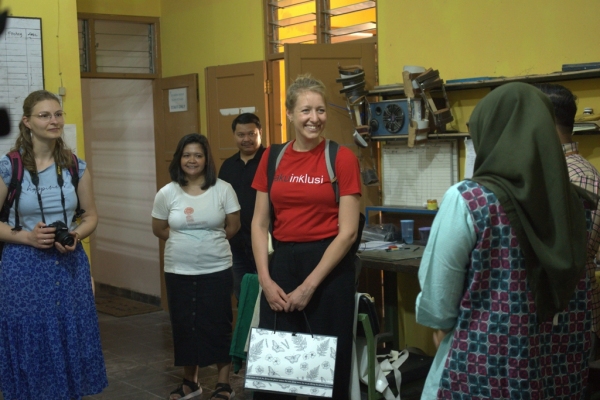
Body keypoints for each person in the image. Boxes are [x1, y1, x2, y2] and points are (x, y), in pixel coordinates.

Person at [416, 82, 592, 399]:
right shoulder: (576, 204)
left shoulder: (468, 200)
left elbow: (438, 304)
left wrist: (441, 327)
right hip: (558, 374)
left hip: (484, 375)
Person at [251, 74, 362, 399]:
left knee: (325, 378)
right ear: (289, 114)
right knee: (274, 376)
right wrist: (265, 281)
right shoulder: (272, 158)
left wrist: (310, 286)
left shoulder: (341, 158)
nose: (314, 118)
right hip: (282, 267)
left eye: (320, 110)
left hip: (328, 272)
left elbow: (348, 232)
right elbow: (259, 223)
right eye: (305, 110)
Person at [0, 90, 107, 399]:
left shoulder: (75, 166)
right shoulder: (9, 167)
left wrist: (76, 235)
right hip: (23, 266)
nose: (54, 120)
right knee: (32, 338)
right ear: (27, 122)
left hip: (68, 263)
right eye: (44, 115)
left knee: (68, 333)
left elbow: (90, 216)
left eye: (58, 114)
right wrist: (27, 237)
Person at [152, 133, 240, 400]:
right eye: (187, 155)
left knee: (219, 324)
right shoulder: (167, 193)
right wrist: (185, 242)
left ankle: (223, 383)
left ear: (206, 159)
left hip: (217, 269)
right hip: (178, 270)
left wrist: (208, 243)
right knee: (185, 325)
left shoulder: (223, 189)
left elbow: (233, 226)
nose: (192, 160)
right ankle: (190, 382)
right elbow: (159, 228)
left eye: (198, 155)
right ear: (179, 159)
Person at [537, 83, 600, 352]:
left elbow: (574, 252)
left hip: (572, 316)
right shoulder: (549, 168)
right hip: (552, 315)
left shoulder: (578, 175)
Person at [218, 112, 265, 300]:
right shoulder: (228, 166)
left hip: (268, 245)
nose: (246, 139)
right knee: (243, 296)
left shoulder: (272, 161)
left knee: (269, 294)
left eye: (251, 134)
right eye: (241, 135)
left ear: (260, 132)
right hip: (236, 246)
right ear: (234, 136)